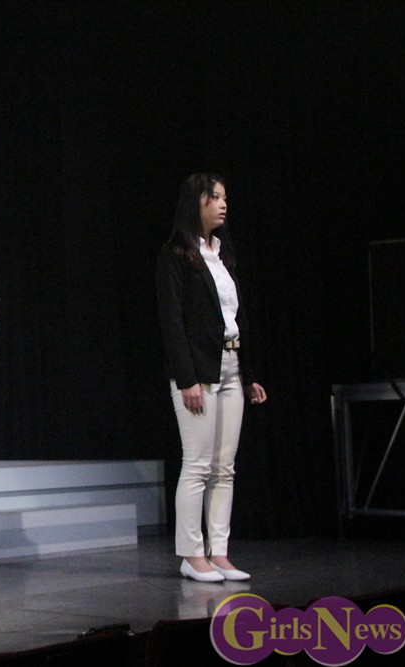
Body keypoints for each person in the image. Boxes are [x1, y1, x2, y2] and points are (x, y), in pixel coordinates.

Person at [156, 173, 268, 584]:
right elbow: (172, 322)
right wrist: (187, 379)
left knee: (225, 467)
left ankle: (219, 552)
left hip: (232, 365)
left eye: (224, 197)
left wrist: (248, 375)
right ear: (196, 202)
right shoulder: (176, 255)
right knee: (198, 464)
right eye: (214, 197)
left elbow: (234, 318)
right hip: (198, 370)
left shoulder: (222, 253)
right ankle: (191, 554)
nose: (223, 204)